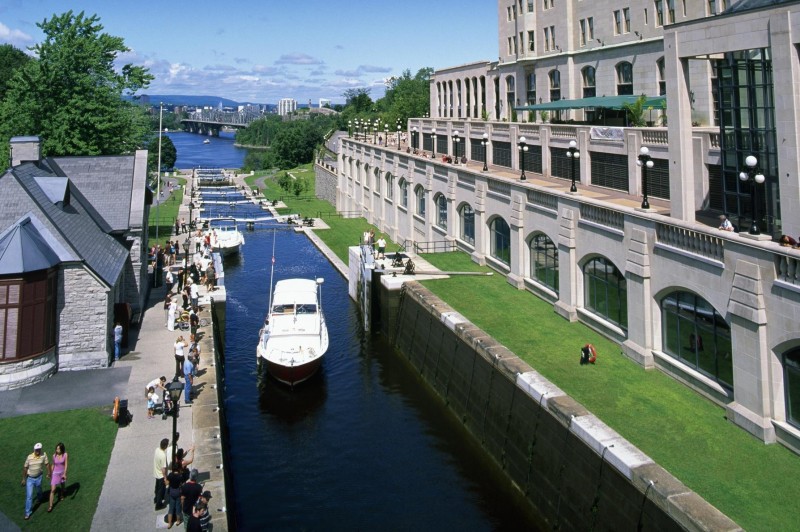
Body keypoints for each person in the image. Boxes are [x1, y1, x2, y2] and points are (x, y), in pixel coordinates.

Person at [22, 442, 49, 520]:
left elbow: (47, 464)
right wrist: (24, 479)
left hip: (39, 477)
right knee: (29, 496)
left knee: (39, 489)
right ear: (34, 449)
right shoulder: (29, 457)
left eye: (39, 449)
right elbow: (25, 468)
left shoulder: (43, 456)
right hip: (30, 479)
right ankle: (28, 513)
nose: (38, 451)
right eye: (37, 449)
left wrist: (49, 473)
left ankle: (40, 498)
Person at [47, 442, 68, 512]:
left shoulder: (65, 455)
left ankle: (62, 494)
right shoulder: (54, 456)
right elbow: (53, 465)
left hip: (62, 473)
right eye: (56, 449)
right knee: (53, 490)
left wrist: (64, 474)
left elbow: (66, 465)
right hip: (55, 473)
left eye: (58, 449)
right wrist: (50, 473)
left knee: (62, 485)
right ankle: (50, 506)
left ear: (62, 449)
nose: (57, 450)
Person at [165, 462, 184, 528]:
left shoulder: (170, 475)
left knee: (171, 508)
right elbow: (182, 484)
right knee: (178, 508)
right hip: (178, 492)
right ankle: (178, 521)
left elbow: (167, 483)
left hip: (172, 492)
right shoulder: (180, 476)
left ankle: (169, 523)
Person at [154, 438, 169, 510]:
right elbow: (163, 469)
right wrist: (165, 477)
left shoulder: (157, 450)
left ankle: (156, 499)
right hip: (160, 475)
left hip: (156, 472)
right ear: (165, 446)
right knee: (160, 490)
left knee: (157, 487)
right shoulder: (163, 455)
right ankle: (158, 504)